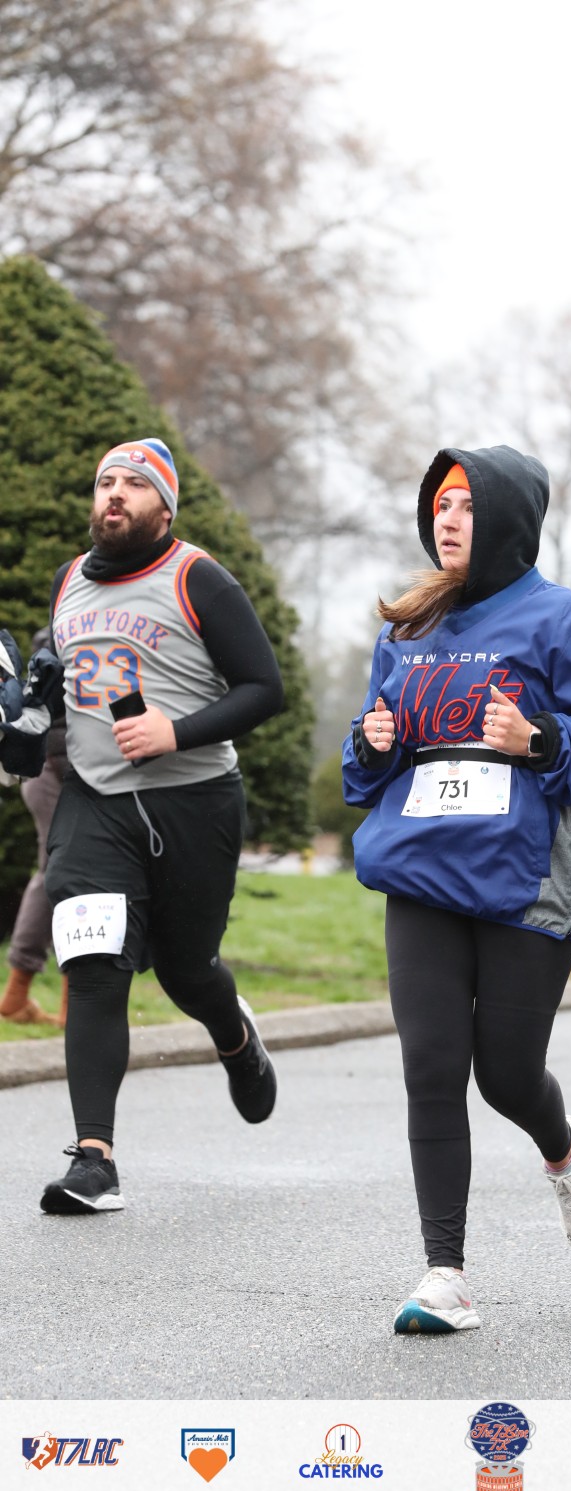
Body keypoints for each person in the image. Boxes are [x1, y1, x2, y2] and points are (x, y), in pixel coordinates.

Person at [342, 444, 571, 1334]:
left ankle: (564, 1152)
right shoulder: (407, 630)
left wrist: (539, 739)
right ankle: (445, 1274)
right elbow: (367, 768)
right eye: (439, 504)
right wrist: (369, 742)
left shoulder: (568, 622)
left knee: (505, 1074)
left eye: (467, 504)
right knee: (432, 1067)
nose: (446, 518)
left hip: (527, 877)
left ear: (509, 518)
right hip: (423, 871)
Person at [39, 437, 284, 1215]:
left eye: (135, 485)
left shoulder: (196, 578)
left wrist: (175, 732)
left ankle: (235, 1039)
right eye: (106, 481)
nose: (115, 493)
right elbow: (74, 690)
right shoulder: (68, 583)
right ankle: (94, 1160)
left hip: (194, 801)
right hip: (95, 803)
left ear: (166, 507)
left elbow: (263, 687)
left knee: (186, 971)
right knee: (94, 966)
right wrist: (27, 727)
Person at [0, 630, 69, 1027]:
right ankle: (72, 1005)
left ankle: (18, 995)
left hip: (50, 769)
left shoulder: (55, 633)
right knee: (68, 875)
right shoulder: (68, 632)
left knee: (54, 874)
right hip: (59, 770)